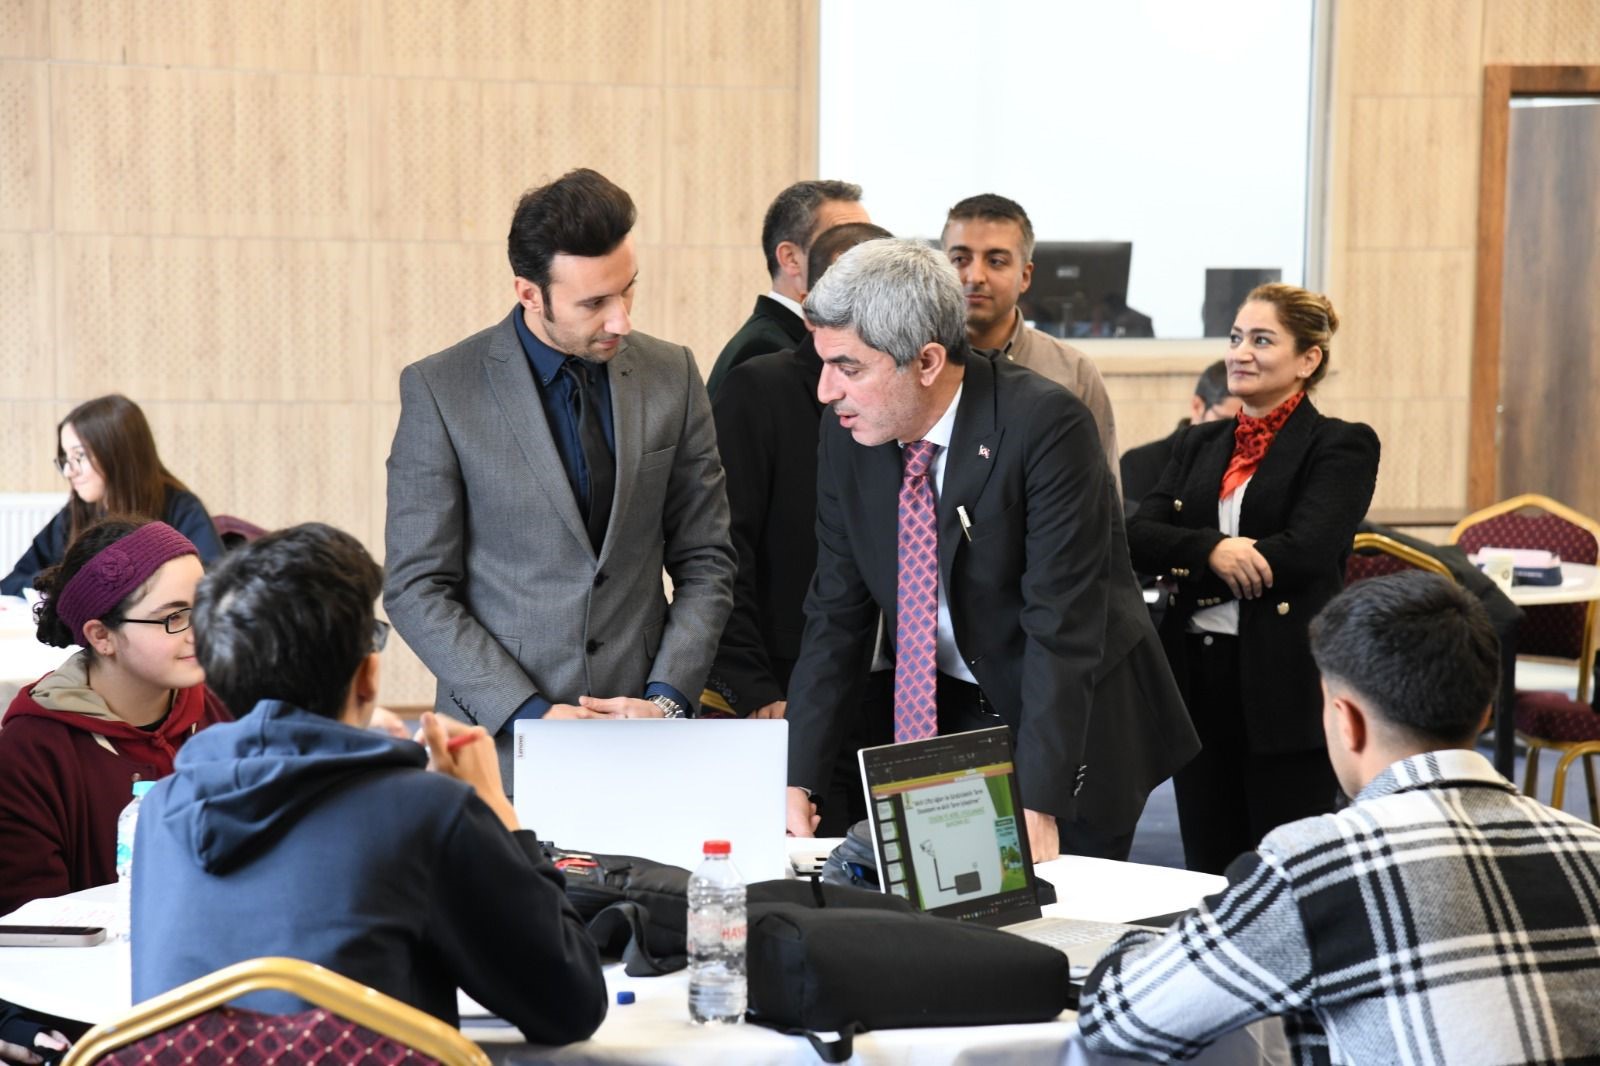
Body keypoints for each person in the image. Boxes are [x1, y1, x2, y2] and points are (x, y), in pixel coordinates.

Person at [782, 239, 1197, 861]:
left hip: (1071, 722)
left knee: (1060, 909)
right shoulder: (848, 433)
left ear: (926, 361)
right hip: (947, 711)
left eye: (848, 368)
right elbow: (835, 612)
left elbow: (1063, 623)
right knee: (942, 896)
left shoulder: (1045, 425)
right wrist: (798, 776)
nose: (825, 391)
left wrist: (1039, 800)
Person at [1079, 572, 1600, 1063]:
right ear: (1486, 712)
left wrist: (1150, 941)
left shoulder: (1317, 864)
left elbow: (1118, 1017)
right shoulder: (1590, 847)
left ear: (1345, 719)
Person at [131, 524, 607, 1045]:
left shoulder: (161, 812)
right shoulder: (428, 812)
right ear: (368, 675)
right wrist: (497, 810)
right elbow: (572, 1005)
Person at [384, 168, 735, 787]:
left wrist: (667, 699)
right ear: (529, 293)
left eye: (627, 291)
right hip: (497, 746)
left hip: (645, 739)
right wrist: (528, 714)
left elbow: (707, 559)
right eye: (594, 304)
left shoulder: (673, 374)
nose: (621, 320)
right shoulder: (441, 389)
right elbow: (416, 587)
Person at [1127, 283, 1380, 874]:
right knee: (1206, 863)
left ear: (1307, 359)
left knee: (1286, 865)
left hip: (1283, 678)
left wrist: (1191, 566)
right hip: (1197, 676)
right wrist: (1213, 551)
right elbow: (1138, 534)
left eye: (1262, 340)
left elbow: (1307, 551)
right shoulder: (1198, 442)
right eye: (1236, 337)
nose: (1240, 352)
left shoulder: (1340, 444)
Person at [705, 222, 894, 835]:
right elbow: (720, 549)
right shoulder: (759, 388)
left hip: (908, 689)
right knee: (817, 859)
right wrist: (752, 684)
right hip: (794, 686)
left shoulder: (908, 397)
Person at [0, 518, 230, 915]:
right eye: (174, 617)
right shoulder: (31, 751)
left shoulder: (221, 710)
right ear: (101, 636)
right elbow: (33, 923)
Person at [940, 194, 1121, 490]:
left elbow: (1103, 495)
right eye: (960, 260)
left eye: (996, 261)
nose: (975, 276)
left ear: (1025, 276)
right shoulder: (917, 364)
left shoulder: (1073, 373)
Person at [2, 395, 223, 597]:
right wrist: (63, 582)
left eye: (79, 456)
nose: (69, 471)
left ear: (118, 455)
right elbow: (13, 582)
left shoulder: (182, 508)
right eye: (65, 458)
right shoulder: (75, 513)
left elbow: (213, 586)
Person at [705, 180, 869, 399]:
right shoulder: (762, 351)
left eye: (869, 244)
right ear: (791, 258)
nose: (865, 261)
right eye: (846, 247)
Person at [1119, 360, 1242, 511]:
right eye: (1227, 422)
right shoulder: (1140, 465)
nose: (1237, 432)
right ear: (1197, 406)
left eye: (1247, 422)